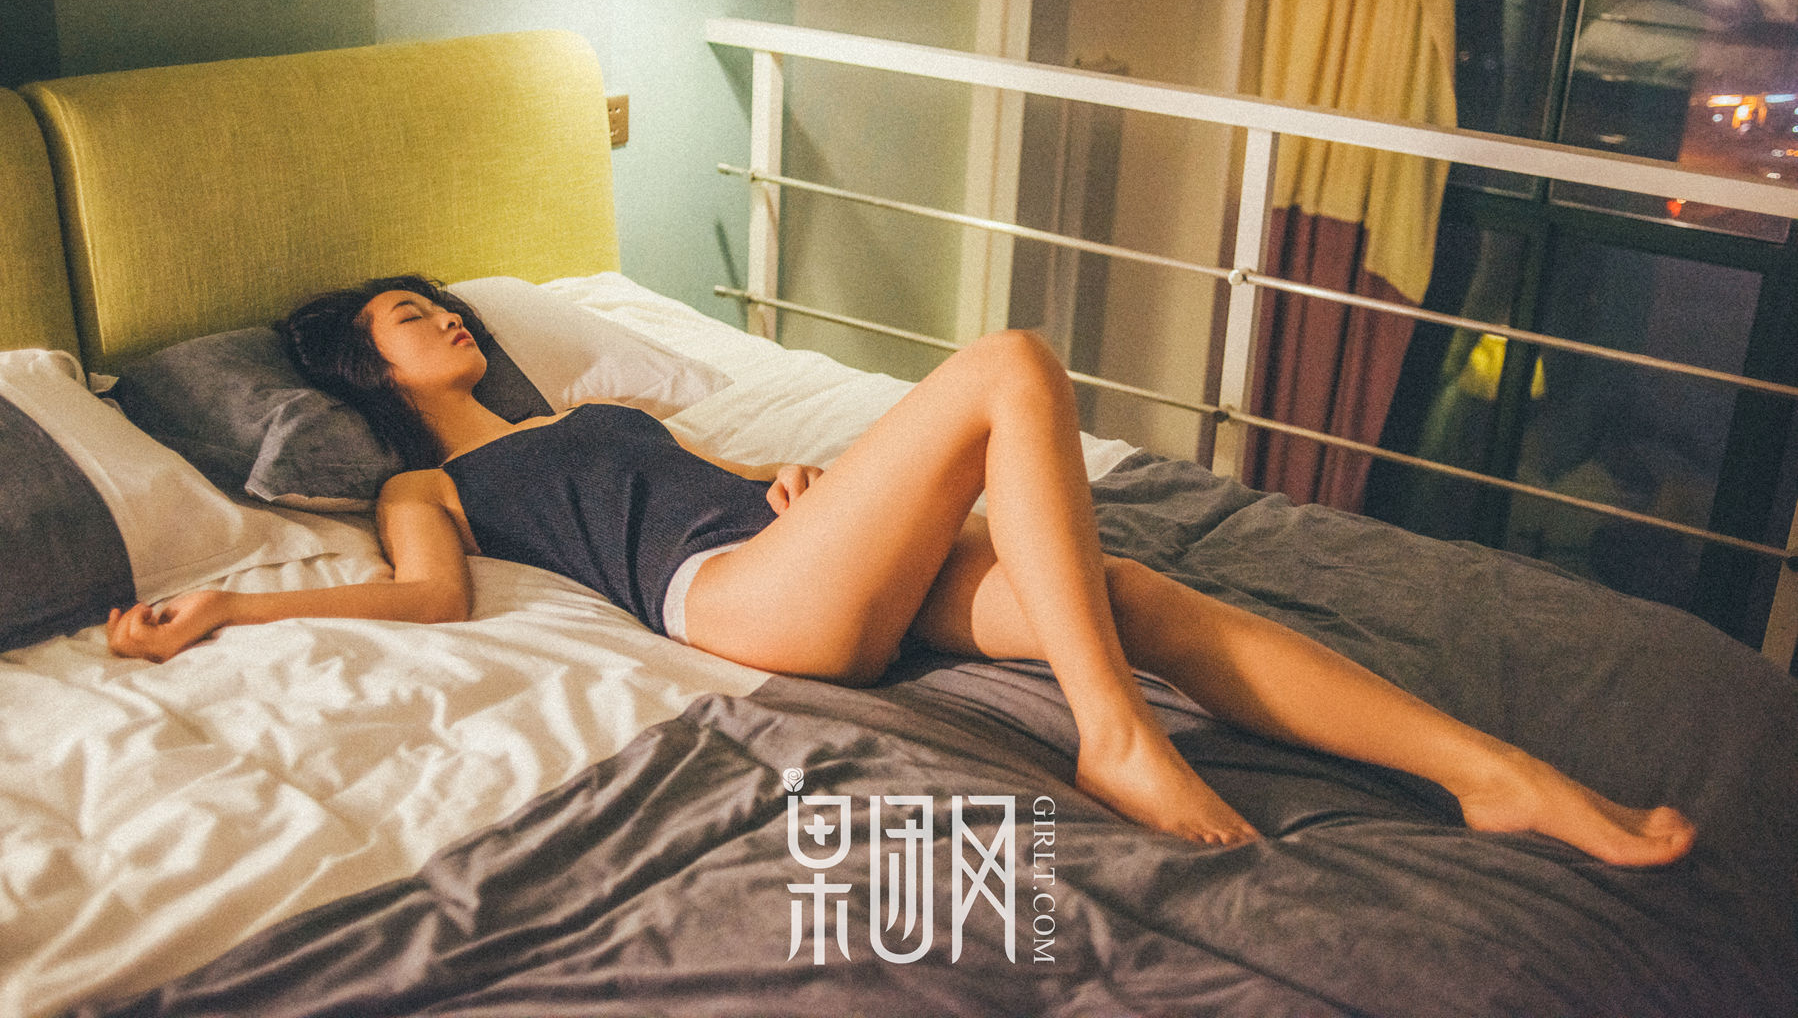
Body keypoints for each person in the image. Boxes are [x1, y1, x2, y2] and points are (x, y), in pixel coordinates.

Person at [108, 275, 1696, 865]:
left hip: (793, 548)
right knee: (1006, 365)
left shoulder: (597, 410)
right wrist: (231, 602)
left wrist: (802, 481)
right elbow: (426, 598)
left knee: (1134, 596)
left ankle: (1494, 778)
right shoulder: (429, 481)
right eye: (407, 317)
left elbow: (735, 478)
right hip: (739, 603)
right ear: (373, 373)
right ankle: (1113, 738)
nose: (443, 315)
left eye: (440, 300)